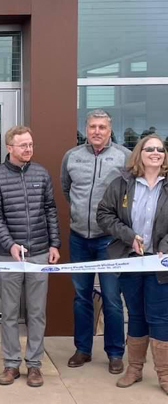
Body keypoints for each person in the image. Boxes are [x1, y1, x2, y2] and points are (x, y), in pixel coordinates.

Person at [0, 126, 61, 388]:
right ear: (9, 147)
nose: (28, 149)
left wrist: (54, 244)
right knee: (9, 312)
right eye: (23, 145)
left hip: (40, 253)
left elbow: (51, 209)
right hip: (9, 256)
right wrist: (10, 244)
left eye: (30, 144)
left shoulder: (41, 173)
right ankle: (10, 364)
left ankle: (35, 365)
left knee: (37, 313)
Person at [97, 134, 168, 395]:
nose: (155, 153)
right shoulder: (122, 184)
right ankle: (135, 368)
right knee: (136, 314)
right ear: (139, 153)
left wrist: (165, 247)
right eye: (149, 148)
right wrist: (128, 235)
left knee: (160, 317)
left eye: (160, 149)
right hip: (131, 260)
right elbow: (103, 214)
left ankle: (164, 374)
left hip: (161, 263)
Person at [61, 109, 130, 374]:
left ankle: (114, 353)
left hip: (109, 240)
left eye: (102, 127)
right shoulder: (72, 156)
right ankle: (83, 349)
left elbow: (129, 194)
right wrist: (81, 215)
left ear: (109, 130)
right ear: (86, 129)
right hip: (79, 237)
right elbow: (67, 189)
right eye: (92, 127)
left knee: (112, 298)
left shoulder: (123, 157)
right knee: (81, 297)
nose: (97, 131)